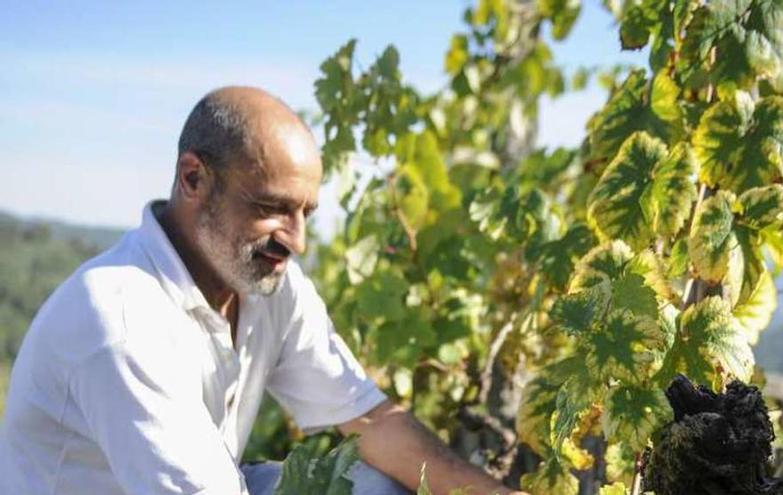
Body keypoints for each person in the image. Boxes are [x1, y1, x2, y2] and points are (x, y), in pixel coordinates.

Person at [0, 87, 528, 495]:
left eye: (307, 213)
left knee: (370, 486)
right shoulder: (120, 324)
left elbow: (373, 424)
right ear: (192, 179)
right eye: (272, 207)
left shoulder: (269, 285)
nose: (296, 240)